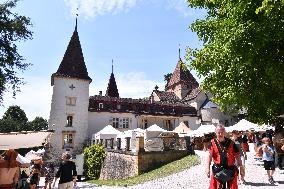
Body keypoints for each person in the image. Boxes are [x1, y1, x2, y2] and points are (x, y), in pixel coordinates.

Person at [206, 124, 244, 189]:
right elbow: (209, 156)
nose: (220, 134)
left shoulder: (231, 143)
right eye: (218, 132)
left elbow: (237, 156)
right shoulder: (212, 143)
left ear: (225, 132)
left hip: (230, 169)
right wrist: (207, 168)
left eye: (222, 132)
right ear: (216, 133)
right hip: (217, 170)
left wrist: (241, 168)